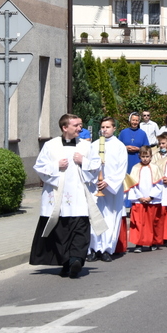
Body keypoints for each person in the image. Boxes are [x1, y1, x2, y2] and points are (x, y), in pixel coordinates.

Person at [29, 114, 105, 279]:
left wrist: (83, 161)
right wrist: (56, 165)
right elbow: (39, 167)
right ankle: (66, 262)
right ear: (65, 128)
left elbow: (96, 165)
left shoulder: (85, 146)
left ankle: (76, 259)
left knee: (80, 228)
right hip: (58, 197)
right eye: (76, 125)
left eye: (80, 125)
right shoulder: (51, 146)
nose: (80, 128)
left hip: (78, 197)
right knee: (60, 232)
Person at [88, 117, 128, 263]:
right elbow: (88, 166)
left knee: (111, 218)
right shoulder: (93, 145)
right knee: (95, 218)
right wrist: (95, 180)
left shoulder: (119, 146)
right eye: (103, 127)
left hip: (112, 189)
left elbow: (122, 169)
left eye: (108, 127)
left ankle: (106, 249)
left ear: (114, 128)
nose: (105, 130)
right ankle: (93, 248)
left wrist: (108, 182)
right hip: (95, 187)